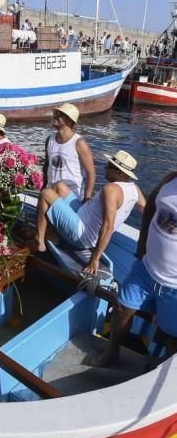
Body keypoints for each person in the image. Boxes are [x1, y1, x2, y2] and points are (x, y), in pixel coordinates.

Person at [93, 171, 177, 367]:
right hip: (146, 269)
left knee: (173, 334)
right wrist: (141, 246)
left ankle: (163, 368)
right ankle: (112, 353)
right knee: (122, 308)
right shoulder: (170, 179)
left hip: (175, 285)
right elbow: (149, 209)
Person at [34, 150, 146, 275]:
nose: (105, 168)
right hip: (82, 214)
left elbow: (108, 226)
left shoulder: (111, 190)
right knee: (59, 186)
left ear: (120, 172)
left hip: (82, 234)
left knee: (45, 194)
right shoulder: (134, 189)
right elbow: (146, 210)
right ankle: (53, 230)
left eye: (109, 166)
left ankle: (40, 241)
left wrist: (94, 259)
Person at [42, 103, 95, 202]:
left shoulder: (79, 143)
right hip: (50, 192)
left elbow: (91, 174)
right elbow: (46, 166)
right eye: (56, 113)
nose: (55, 116)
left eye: (59, 115)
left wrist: (87, 198)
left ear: (69, 121)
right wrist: (43, 188)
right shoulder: (49, 140)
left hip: (71, 196)